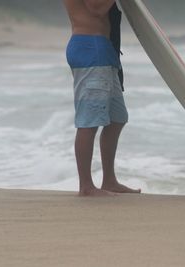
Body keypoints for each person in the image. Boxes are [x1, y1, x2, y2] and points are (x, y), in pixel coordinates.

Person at [63, 0, 140, 196]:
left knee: (117, 119)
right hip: (90, 48)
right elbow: (95, 7)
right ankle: (86, 186)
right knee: (88, 122)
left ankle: (109, 180)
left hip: (103, 49)